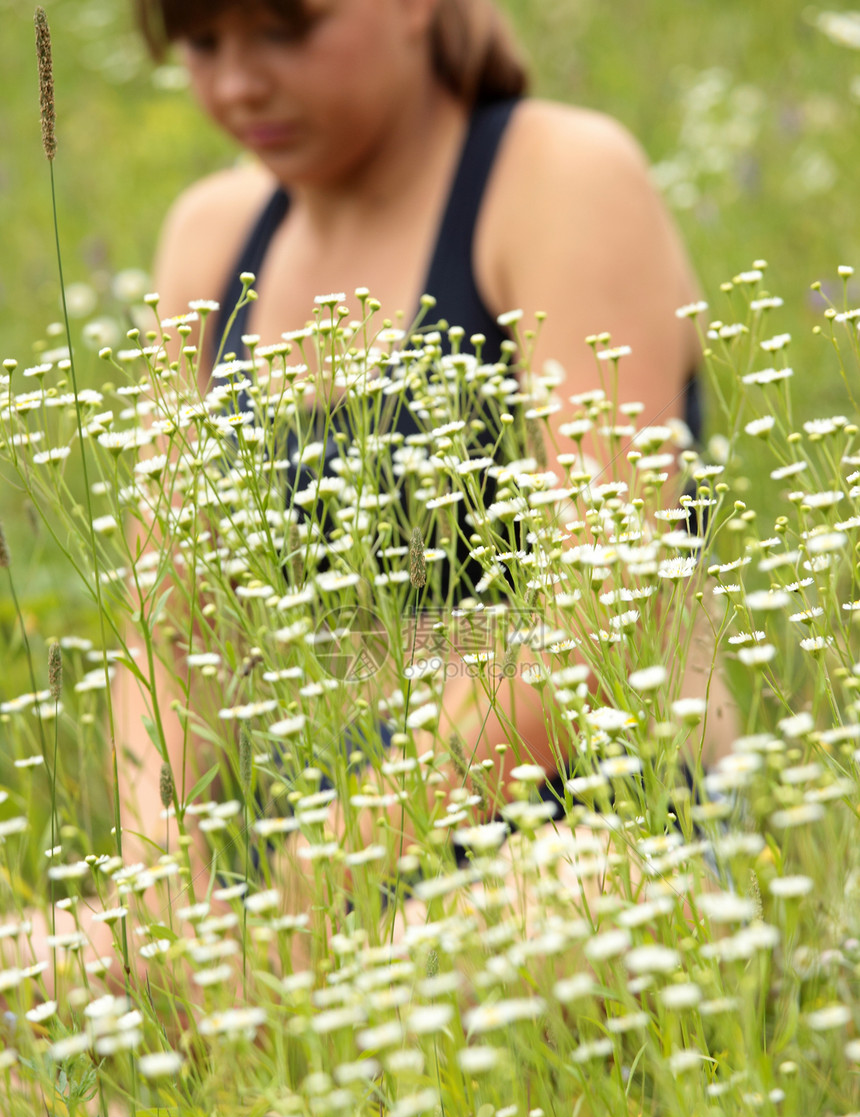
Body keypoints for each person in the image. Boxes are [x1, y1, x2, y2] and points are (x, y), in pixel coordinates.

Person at [22, 0, 739, 991]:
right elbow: (164, 633)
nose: (236, 83)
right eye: (201, 44)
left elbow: (600, 619)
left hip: (579, 834)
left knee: (464, 953)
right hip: (288, 870)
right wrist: (161, 888)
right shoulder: (211, 237)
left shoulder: (555, 178)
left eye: (285, 30)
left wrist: (318, 890)